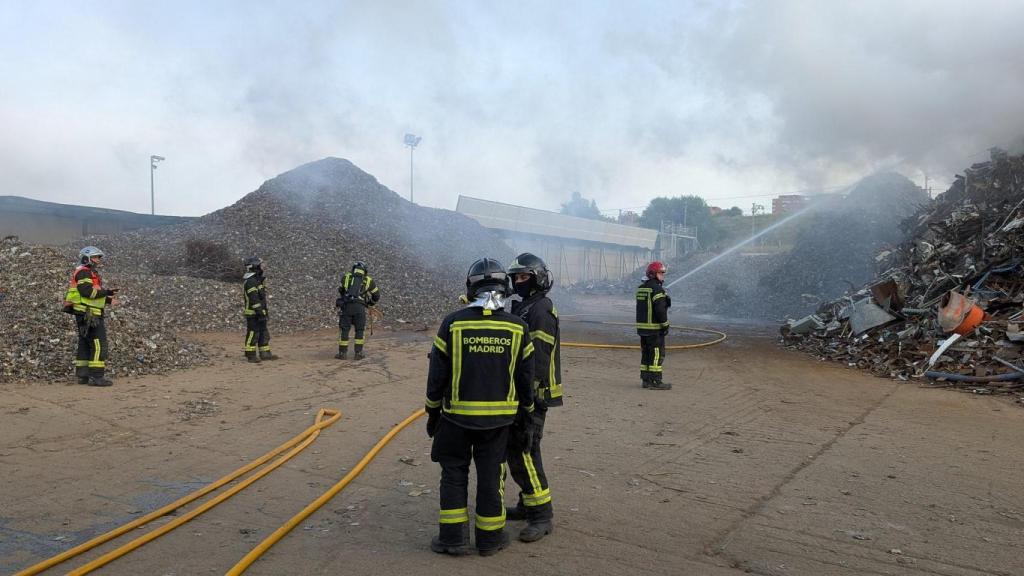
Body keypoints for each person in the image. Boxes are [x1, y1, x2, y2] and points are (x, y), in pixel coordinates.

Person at [424, 257, 536, 557]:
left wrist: (432, 412)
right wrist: (525, 415)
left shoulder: (453, 323)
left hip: (456, 419)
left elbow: (436, 376)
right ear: (506, 287)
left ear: (471, 288)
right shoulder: (518, 328)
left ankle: (452, 539)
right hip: (499, 423)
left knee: (453, 474)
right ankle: (490, 540)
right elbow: (526, 380)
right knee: (490, 476)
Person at [505, 253, 562, 542]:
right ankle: (527, 504)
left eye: (524, 277)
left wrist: (529, 398)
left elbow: (538, 360)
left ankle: (542, 515)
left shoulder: (540, 309)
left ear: (538, 277)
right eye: (515, 277)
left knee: (524, 451)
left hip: (534, 395)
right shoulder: (526, 307)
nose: (518, 282)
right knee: (518, 449)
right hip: (521, 392)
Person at [64, 246, 117, 386]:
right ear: (86, 258)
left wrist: (109, 299)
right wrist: (106, 292)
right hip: (89, 314)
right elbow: (87, 292)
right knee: (99, 344)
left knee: (85, 343)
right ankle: (97, 377)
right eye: (95, 257)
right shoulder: (84, 272)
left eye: (99, 257)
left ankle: (83, 375)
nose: (98, 260)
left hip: (85, 312)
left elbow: (91, 295)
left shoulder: (88, 272)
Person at [636, 261, 671, 390]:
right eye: (661, 273)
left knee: (646, 353)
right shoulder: (657, 290)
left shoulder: (641, 288)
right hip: (655, 330)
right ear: (653, 274)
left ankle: (646, 380)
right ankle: (656, 381)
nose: (663, 276)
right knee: (656, 354)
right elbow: (660, 310)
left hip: (642, 329)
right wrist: (665, 325)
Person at [334, 261, 380, 360]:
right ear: (365, 271)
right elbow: (376, 295)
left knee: (345, 329)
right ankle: (358, 353)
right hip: (360, 308)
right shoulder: (368, 280)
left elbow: (341, 290)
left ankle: (342, 353)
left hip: (346, 307)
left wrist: (345, 298)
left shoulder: (346, 276)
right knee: (359, 330)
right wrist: (370, 304)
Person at [242, 256, 275, 362]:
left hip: (260, 312)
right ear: (255, 266)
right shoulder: (251, 281)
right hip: (253, 314)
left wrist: (263, 312)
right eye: (260, 265)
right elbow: (254, 299)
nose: (262, 266)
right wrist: (260, 312)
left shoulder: (257, 280)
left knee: (263, 333)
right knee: (253, 333)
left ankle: (265, 353)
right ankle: (250, 355)